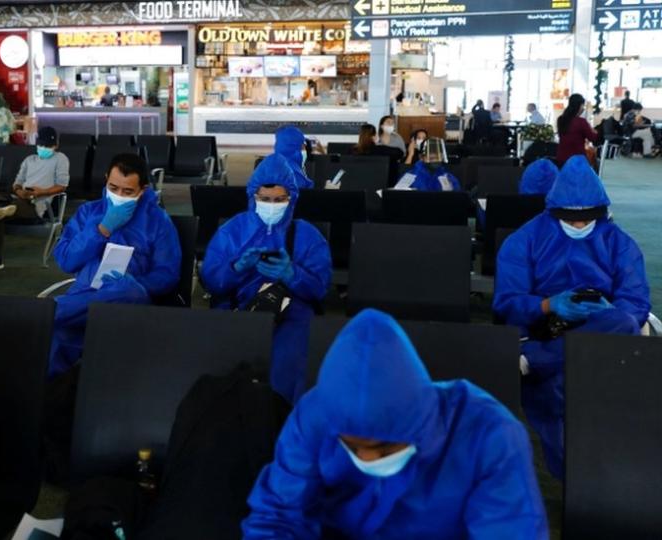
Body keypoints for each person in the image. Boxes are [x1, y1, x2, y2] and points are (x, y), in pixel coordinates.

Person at [242, 309, 548, 538]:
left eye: (384, 447)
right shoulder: (316, 416)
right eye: (353, 446)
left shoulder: (489, 434)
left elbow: (511, 530)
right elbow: (279, 515)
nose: (367, 460)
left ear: (417, 424)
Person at [494, 155, 650, 480]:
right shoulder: (524, 240)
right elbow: (507, 302)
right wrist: (548, 306)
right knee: (559, 400)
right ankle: (577, 475)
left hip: (593, 337)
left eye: (586, 219)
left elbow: (635, 301)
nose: (579, 226)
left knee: (621, 321)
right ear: (554, 211)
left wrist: (607, 312)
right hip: (543, 329)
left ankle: (537, 361)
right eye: (570, 219)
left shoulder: (619, 243)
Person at [201, 154, 331, 403]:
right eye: (265, 199)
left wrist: (293, 275)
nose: (272, 205)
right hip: (239, 307)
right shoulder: (232, 231)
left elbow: (320, 290)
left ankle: (281, 418)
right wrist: (237, 268)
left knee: (289, 360)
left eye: (279, 200)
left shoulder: (307, 235)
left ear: (291, 199)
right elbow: (211, 281)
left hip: (292, 312)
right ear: (253, 197)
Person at [50, 153, 181, 378]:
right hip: (85, 292)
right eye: (114, 188)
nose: (119, 196)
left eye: (128, 192)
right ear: (106, 181)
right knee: (54, 338)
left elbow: (168, 273)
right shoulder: (88, 212)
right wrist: (101, 229)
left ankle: (49, 311)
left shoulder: (157, 221)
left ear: (143, 190)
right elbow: (65, 260)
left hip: (130, 299)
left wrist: (137, 284)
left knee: (122, 291)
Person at [0, 126, 70, 272]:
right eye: (41, 145)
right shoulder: (29, 160)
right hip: (19, 197)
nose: (43, 148)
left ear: (55, 145)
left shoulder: (60, 159)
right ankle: (3, 204)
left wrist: (41, 192)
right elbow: (17, 183)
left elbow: (62, 186)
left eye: (47, 146)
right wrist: (19, 191)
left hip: (35, 204)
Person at [394, 137, 461, 192]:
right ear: (421, 157)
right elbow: (398, 197)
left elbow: (456, 199)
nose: (435, 161)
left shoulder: (448, 178)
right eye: (431, 158)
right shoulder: (409, 177)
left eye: (438, 157)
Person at [555, 93, 597, 165]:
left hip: (561, 158)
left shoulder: (560, 119)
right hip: (577, 160)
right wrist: (594, 131)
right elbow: (593, 138)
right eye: (583, 105)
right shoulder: (581, 122)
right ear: (580, 106)